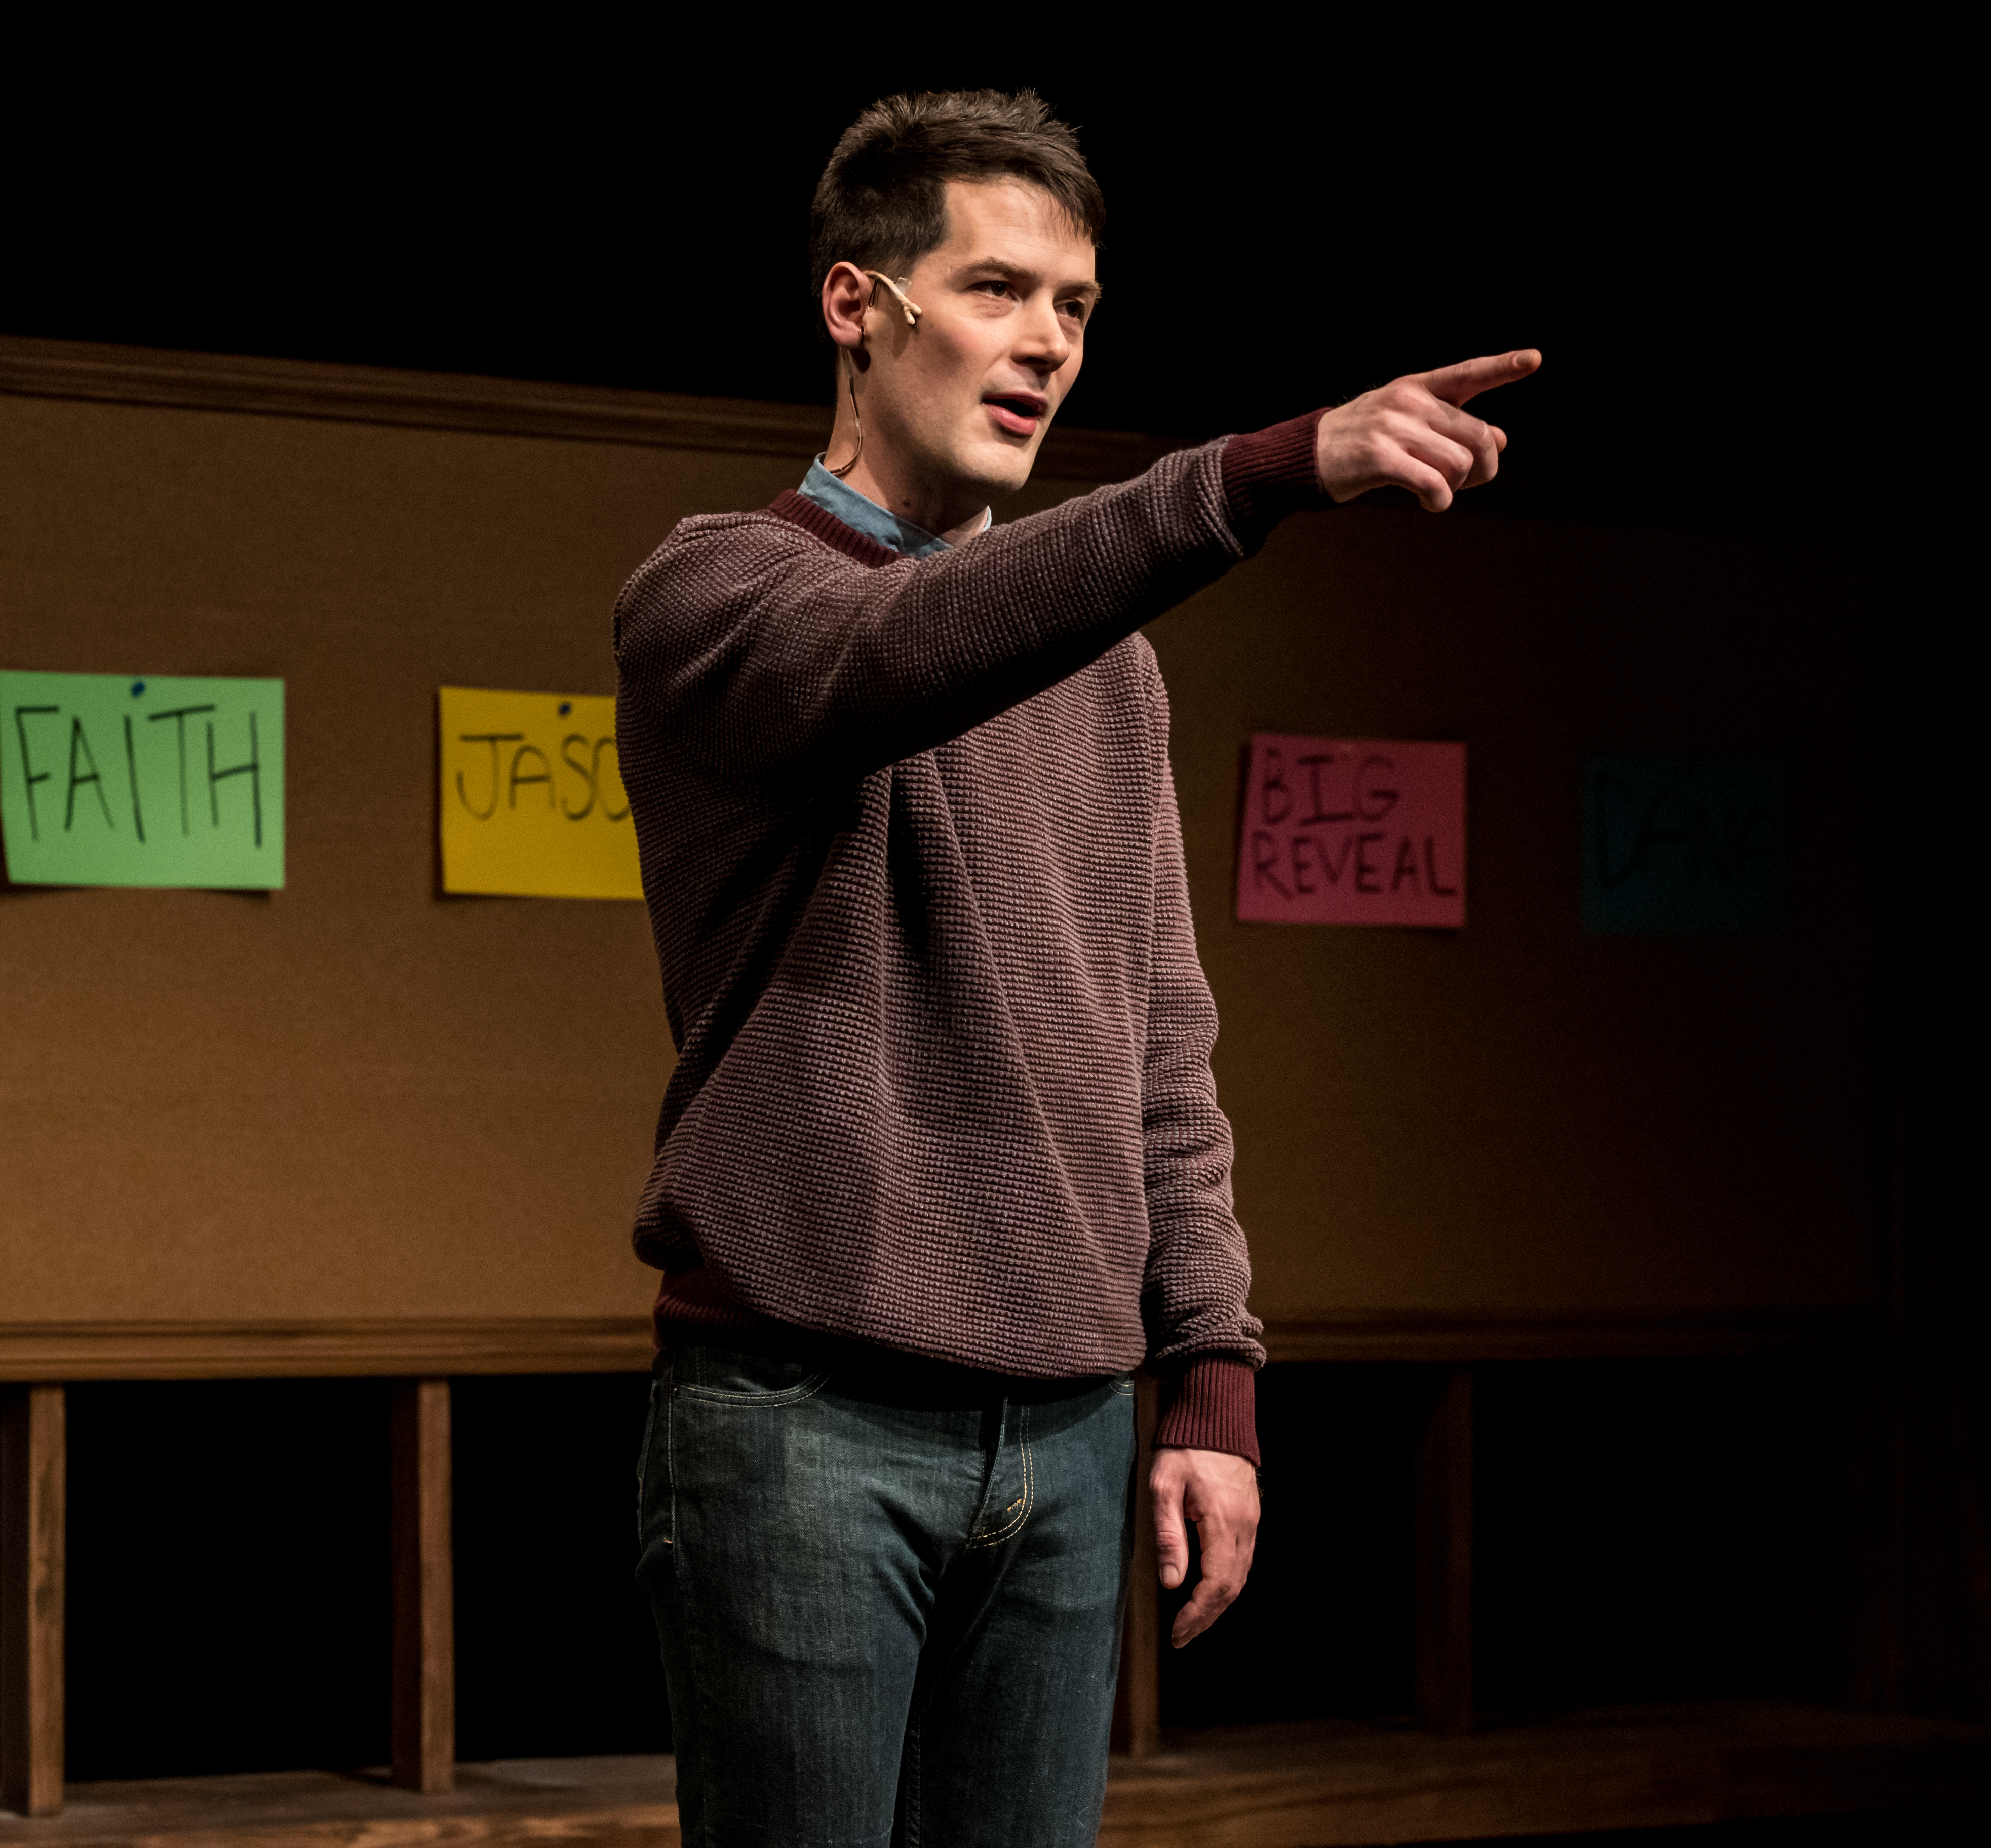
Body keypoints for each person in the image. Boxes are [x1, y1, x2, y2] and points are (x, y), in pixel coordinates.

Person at [614, 88, 1534, 1846]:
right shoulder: (717, 597)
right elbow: (910, 651)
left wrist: (1212, 1372)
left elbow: (1159, 1047)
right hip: (808, 1427)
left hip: (1066, 1433)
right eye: (996, 290)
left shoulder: (1106, 669)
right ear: (855, 306)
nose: (1044, 343)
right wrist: (1264, 470)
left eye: (1077, 308)